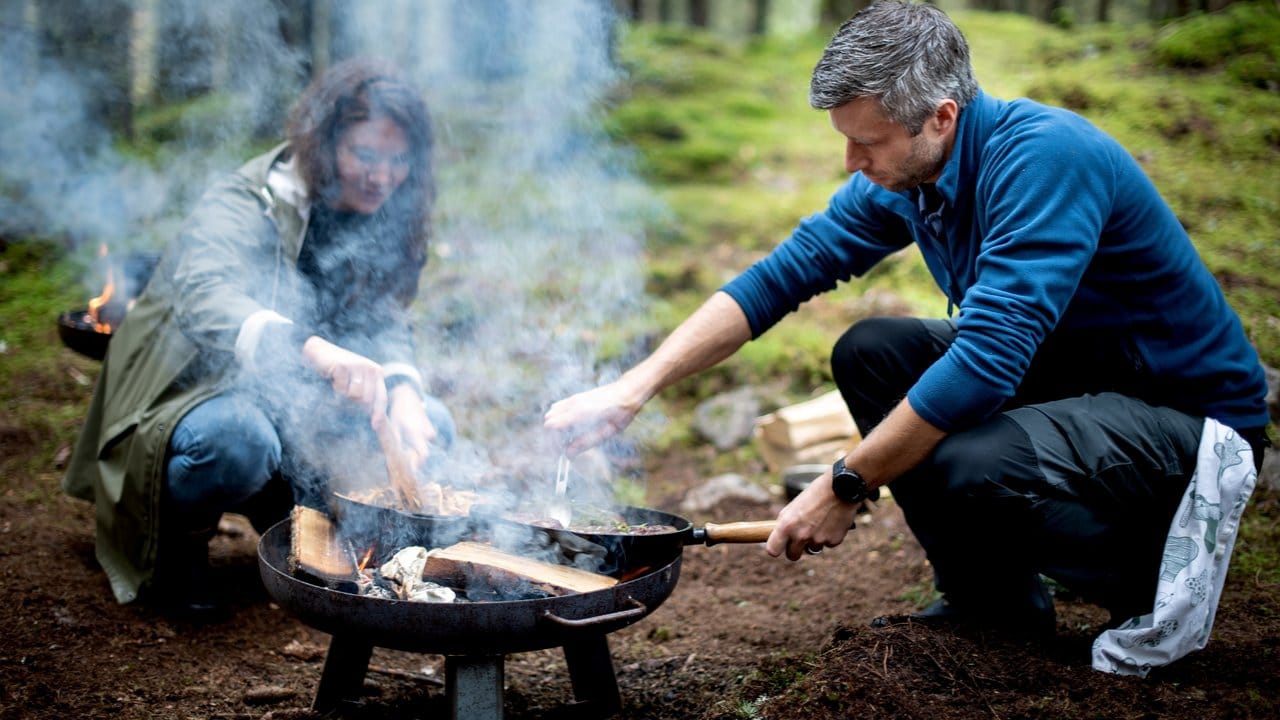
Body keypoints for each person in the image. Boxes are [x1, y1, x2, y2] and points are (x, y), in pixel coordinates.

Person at [544, 1, 1270, 637]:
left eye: (868, 140)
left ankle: (1154, 575)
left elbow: (987, 363)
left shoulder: (1045, 159)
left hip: (1188, 422)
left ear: (941, 116)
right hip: (1077, 380)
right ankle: (994, 603)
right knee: (872, 352)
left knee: (965, 463)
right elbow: (781, 277)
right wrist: (633, 388)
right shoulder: (911, 173)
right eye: (844, 137)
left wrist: (844, 484)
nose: (852, 160)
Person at [63, 57, 454, 620]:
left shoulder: (386, 210)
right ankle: (174, 548)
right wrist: (310, 345)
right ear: (324, 142)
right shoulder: (250, 200)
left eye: (398, 160)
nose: (382, 176)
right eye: (365, 154)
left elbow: (386, 316)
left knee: (433, 424)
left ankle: (330, 536)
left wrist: (404, 391)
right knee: (237, 441)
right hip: (198, 393)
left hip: (299, 406)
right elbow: (204, 296)